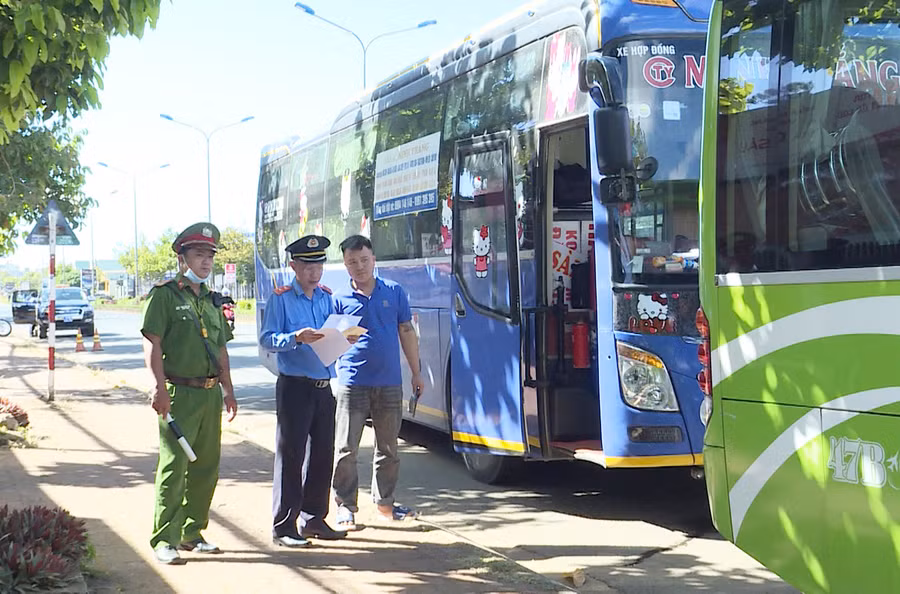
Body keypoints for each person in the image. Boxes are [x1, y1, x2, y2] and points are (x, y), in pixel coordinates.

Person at [142, 222, 238, 565]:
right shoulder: (165, 295)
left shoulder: (213, 301)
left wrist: (228, 389)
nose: (206, 261)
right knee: (174, 465)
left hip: (210, 394)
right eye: (199, 254)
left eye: (210, 255)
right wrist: (158, 387)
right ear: (182, 259)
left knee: (206, 467)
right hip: (178, 393)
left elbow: (221, 349)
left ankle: (191, 532)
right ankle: (163, 538)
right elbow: (152, 344)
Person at [331, 234, 425, 530]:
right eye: (352, 262)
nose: (359, 267)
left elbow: (406, 330)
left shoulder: (394, 292)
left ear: (374, 260)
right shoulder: (337, 299)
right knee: (346, 448)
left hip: (389, 382)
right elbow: (330, 342)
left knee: (389, 447)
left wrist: (416, 372)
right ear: (345, 265)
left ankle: (385, 503)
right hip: (352, 381)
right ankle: (345, 506)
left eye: (364, 260)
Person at [259, 235, 348, 547]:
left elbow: (334, 333)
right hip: (295, 386)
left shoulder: (326, 297)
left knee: (323, 455)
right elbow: (267, 338)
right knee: (291, 456)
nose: (315, 271)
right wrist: (295, 337)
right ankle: (284, 526)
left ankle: (313, 518)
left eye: (319, 264)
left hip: (324, 386)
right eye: (308, 264)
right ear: (293, 265)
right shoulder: (281, 299)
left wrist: (344, 338)